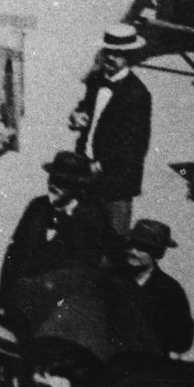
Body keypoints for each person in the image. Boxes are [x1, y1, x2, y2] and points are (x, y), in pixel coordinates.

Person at [0, 151, 114, 308]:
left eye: (64, 182)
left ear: (78, 186)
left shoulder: (91, 218)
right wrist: (3, 299)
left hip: (60, 306)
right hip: (23, 300)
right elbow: (14, 254)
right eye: (52, 178)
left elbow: (83, 273)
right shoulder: (37, 207)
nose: (54, 186)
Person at [70, 25, 151, 234]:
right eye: (108, 52)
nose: (111, 58)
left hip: (116, 181)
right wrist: (78, 115)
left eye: (118, 54)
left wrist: (102, 164)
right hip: (86, 169)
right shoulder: (96, 80)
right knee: (80, 232)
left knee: (113, 239)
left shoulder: (138, 94)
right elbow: (86, 106)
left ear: (129, 56)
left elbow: (135, 145)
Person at [116, 220, 193, 355]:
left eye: (142, 248)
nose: (133, 252)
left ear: (157, 253)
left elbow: (183, 342)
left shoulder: (170, 291)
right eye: (131, 245)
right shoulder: (111, 278)